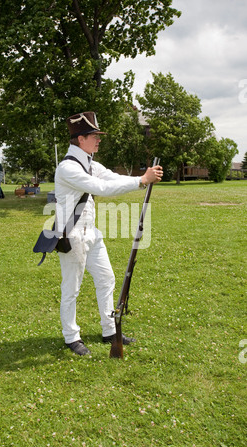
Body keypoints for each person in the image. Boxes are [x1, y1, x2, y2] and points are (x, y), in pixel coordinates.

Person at [54, 111, 163, 355]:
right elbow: (100, 188)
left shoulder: (90, 163)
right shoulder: (68, 168)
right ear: (80, 139)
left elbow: (112, 177)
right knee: (71, 287)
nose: (99, 139)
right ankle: (71, 337)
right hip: (72, 236)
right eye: (94, 135)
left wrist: (141, 179)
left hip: (91, 232)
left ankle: (109, 330)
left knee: (107, 278)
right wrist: (141, 181)